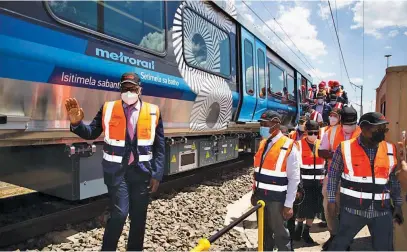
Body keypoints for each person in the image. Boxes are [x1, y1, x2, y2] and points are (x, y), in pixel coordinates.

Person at [65, 72, 165, 251]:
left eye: (132, 88)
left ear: (139, 90)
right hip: (117, 173)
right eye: (125, 88)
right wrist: (77, 124)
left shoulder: (153, 111)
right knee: (119, 214)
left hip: (142, 172)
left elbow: (159, 146)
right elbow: (92, 133)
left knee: (139, 216)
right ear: (120, 89)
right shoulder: (108, 108)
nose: (128, 92)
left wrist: (157, 174)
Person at [327, 112, 404, 251]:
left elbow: (393, 179)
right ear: (363, 128)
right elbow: (333, 175)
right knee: (338, 247)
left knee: (385, 248)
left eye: (384, 129)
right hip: (352, 210)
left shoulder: (390, 149)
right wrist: (331, 200)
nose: (382, 132)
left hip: (382, 211)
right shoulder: (345, 147)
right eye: (378, 128)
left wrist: (398, 204)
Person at [251, 110, 300, 251]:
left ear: (276, 123)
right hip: (261, 196)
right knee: (263, 232)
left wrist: (289, 204)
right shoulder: (263, 143)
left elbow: (294, 178)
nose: (262, 126)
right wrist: (254, 193)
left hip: (277, 199)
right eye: (261, 123)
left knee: (280, 234)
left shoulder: (289, 146)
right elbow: (257, 172)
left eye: (265, 123)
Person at [318, 105, 361, 250]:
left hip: (354, 179)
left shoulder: (362, 133)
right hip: (333, 177)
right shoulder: (332, 131)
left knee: (348, 211)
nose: (349, 127)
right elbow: (321, 151)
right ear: (341, 120)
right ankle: (334, 235)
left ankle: (345, 240)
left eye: (352, 123)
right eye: (346, 123)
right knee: (329, 208)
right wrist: (337, 156)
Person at [292, 120, 325, 244]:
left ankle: (306, 232)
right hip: (304, 184)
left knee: (313, 209)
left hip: (318, 184)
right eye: (310, 132)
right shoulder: (298, 145)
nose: (313, 135)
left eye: (315, 133)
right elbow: (295, 166)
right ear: (305, 132)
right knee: (301, 209)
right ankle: (298, 229)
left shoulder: (322, 144)